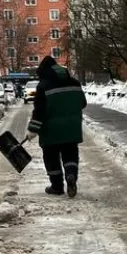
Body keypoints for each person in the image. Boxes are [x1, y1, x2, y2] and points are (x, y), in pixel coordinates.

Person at [28, 55, 88, 197]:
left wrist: (33, 129)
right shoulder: (75, 83)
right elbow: (83, 103)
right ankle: (71, 176)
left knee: (51, 157)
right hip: (72, 128)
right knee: (70, 154)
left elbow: (39, 111)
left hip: (50, 130)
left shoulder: (43, 86)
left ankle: (57, 187)